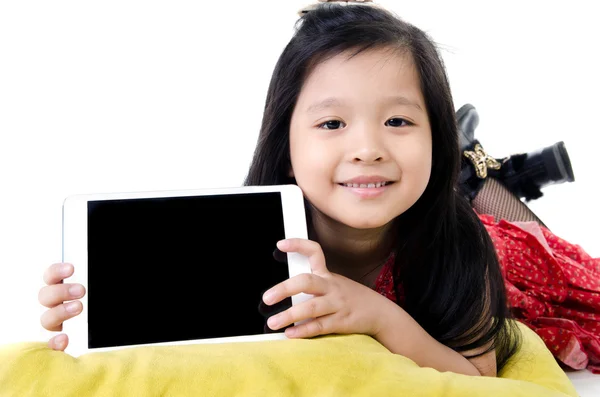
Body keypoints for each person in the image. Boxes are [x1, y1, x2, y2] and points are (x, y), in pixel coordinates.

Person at [41, 0, 577, 378]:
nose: (367, 147)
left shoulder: (461, 250)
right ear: (287, 144)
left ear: (430, 132)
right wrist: (93, 312)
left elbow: (478, 378)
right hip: (408, 195)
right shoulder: (246, 239)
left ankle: (475, 171)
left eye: (397, 121)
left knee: (554, 259)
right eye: (331, 125)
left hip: (477, 236)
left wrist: (376, 314)